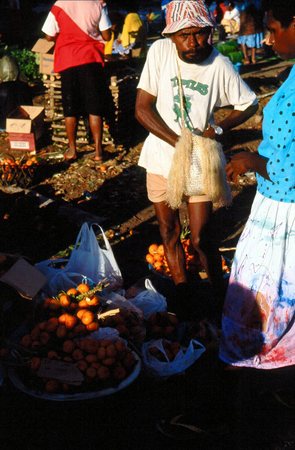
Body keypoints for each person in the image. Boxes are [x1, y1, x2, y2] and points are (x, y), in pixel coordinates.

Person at [135, 0, 258, 320]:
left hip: (200, 160)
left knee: (203, 238)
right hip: (162, 159)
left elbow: (249, 103)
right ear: (171, 36)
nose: (192, 42)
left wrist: (219, 126)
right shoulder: (160, 53)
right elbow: (142, 109)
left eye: (200, 34)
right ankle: (183, 297)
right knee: (168, 231)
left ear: (210, 32)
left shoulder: (219, 65)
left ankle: (220, 299)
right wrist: (178, 143)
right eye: (184, 35)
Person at [220, 0, 295, 370]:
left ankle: (267, 368)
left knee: (269, 294)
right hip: (273, 200)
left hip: (287, 210)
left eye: (273, 29)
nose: (268, 39)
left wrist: (254, 161)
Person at [41, 1, 112, 162]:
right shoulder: (98, 3)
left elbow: (48, 35)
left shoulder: (59, 4)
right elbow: (107, 36)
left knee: (70, 106)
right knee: (94, 106)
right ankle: (99, 152)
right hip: (91, 58)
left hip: (68, 60)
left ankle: (72, 150)